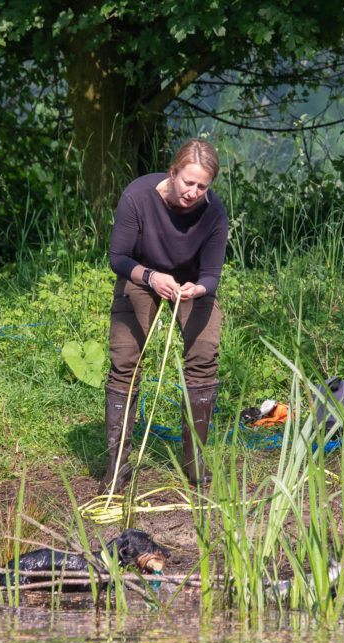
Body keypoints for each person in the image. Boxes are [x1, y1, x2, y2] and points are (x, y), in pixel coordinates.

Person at [101, 138, 229, 496]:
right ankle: (116, 469)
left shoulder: (215, 213)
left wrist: (198, 290)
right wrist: (151, 277)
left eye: (202, 186)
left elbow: (211, 276)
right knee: (125, 362)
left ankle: (196, 466)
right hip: (142, 276)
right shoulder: (137, 196)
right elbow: (118, 258)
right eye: (188, 182)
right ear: (172, 173)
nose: (194, 192)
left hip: (190, 285)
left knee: (204, 358)